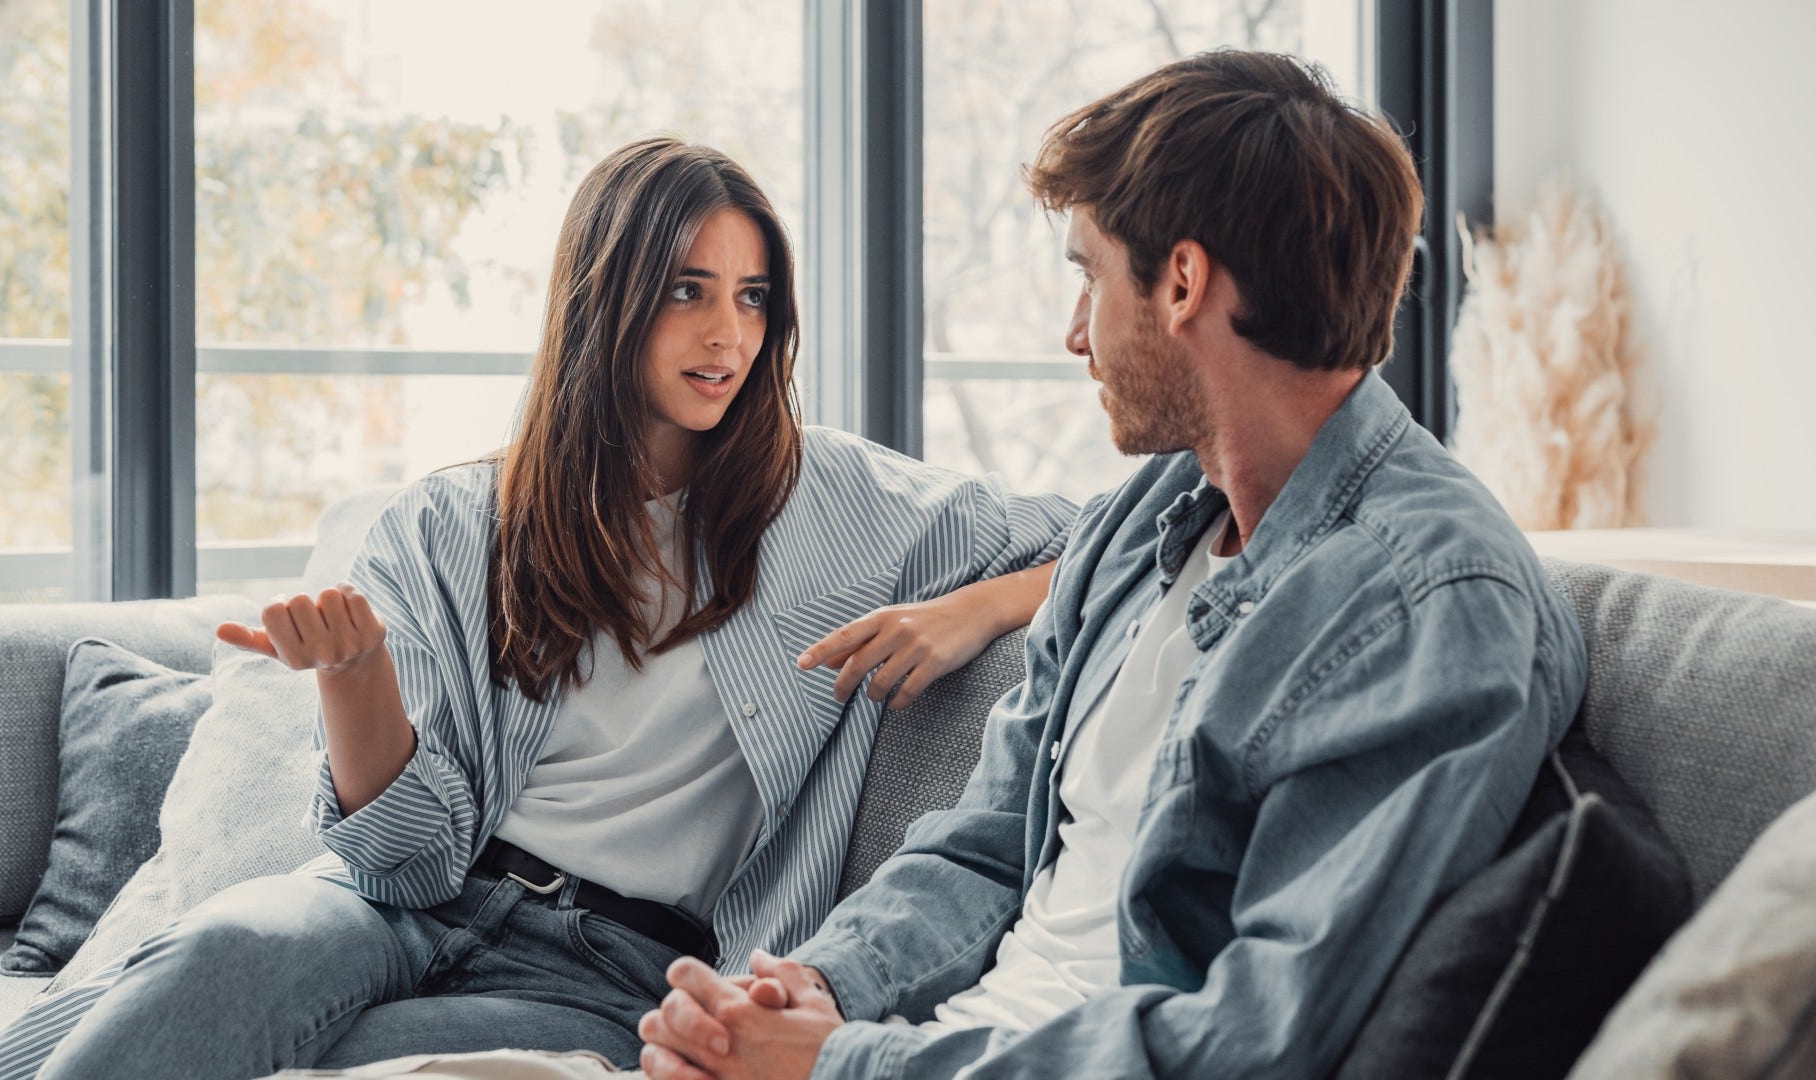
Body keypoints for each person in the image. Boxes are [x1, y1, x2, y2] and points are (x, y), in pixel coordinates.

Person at [0, 137, 1077, 1080]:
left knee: (357, 1057)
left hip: (613, 968)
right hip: (407, 904)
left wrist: (980, 607)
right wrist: (357, 681)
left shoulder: (843, 503)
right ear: (607, 295)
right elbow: (403, 864)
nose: (728, 334)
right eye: (687, 290)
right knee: (225, 953)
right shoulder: (451, 525)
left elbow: (1123, 526)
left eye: (752, 298)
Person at [636, 51, 1589, 1080]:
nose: (1074, 333)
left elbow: (1258, 1042)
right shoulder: (1142, 525)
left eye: (1090, 275)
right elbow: (991, 839)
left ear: (1181, 282)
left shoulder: (1430, 602)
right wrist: (811, 992)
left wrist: (840, 1066)